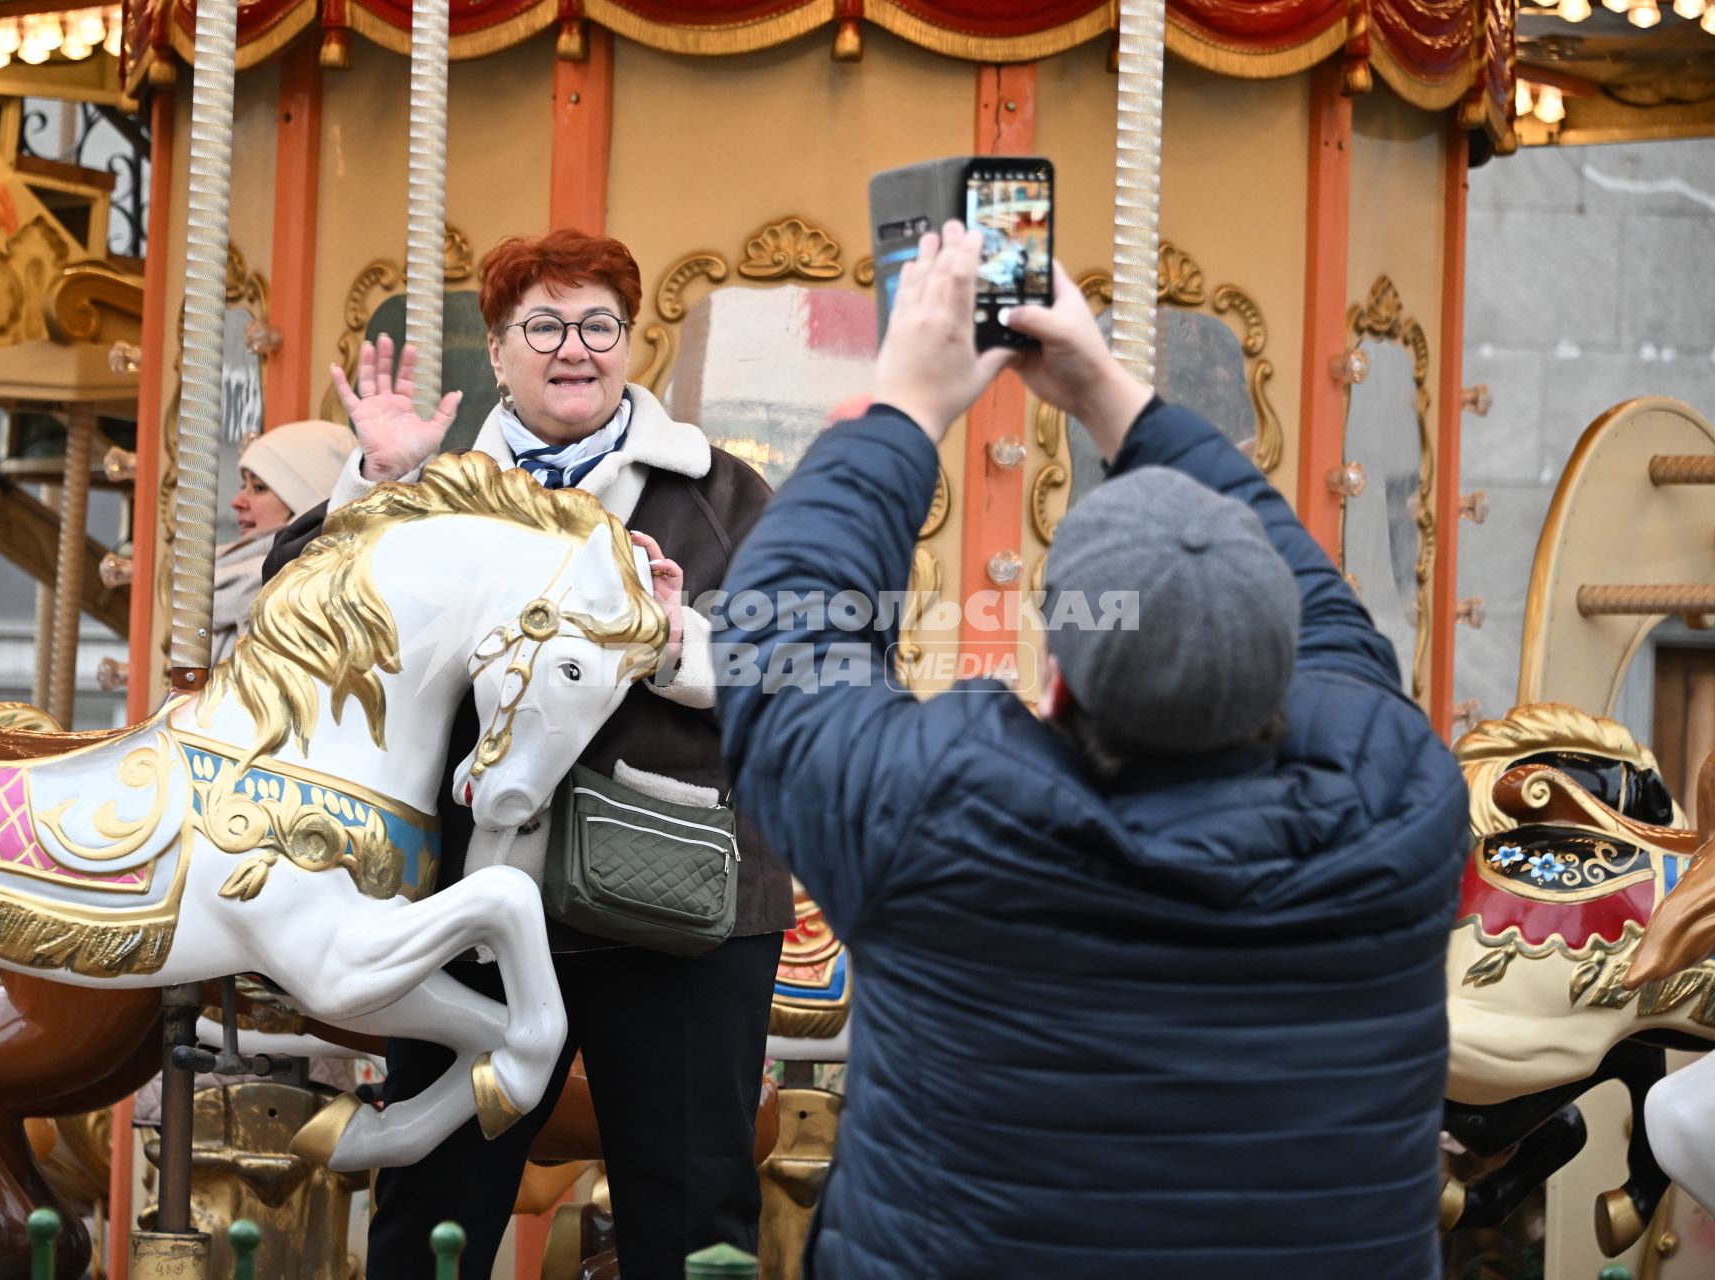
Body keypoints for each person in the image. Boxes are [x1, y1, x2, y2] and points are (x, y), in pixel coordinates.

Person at [715, 223, 1469, 1277]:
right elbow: (1332, 621)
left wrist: (905, 409)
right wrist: (1111, 391)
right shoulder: (1399, 801)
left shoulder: (939, 818)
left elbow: (781, 644)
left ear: (1059, 679)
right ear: (1279, 662)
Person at [264, 229, 792, 1279]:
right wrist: (372, 474)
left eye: (600, 323)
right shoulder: (444, 485)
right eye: (542, 324)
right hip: (471, 895)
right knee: (436, 1205)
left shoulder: (721, 494)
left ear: (630, 343)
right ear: (497, 351)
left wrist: (669, 639)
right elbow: (292, 610)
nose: (574, 347)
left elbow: (800, 668)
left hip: (681, 900)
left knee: (691, 1201)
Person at [212, 419, 355, 663]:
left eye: (258, 488)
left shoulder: (309, 595)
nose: (237, 501)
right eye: (243, 485)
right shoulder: (227, 582)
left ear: (305, 503)